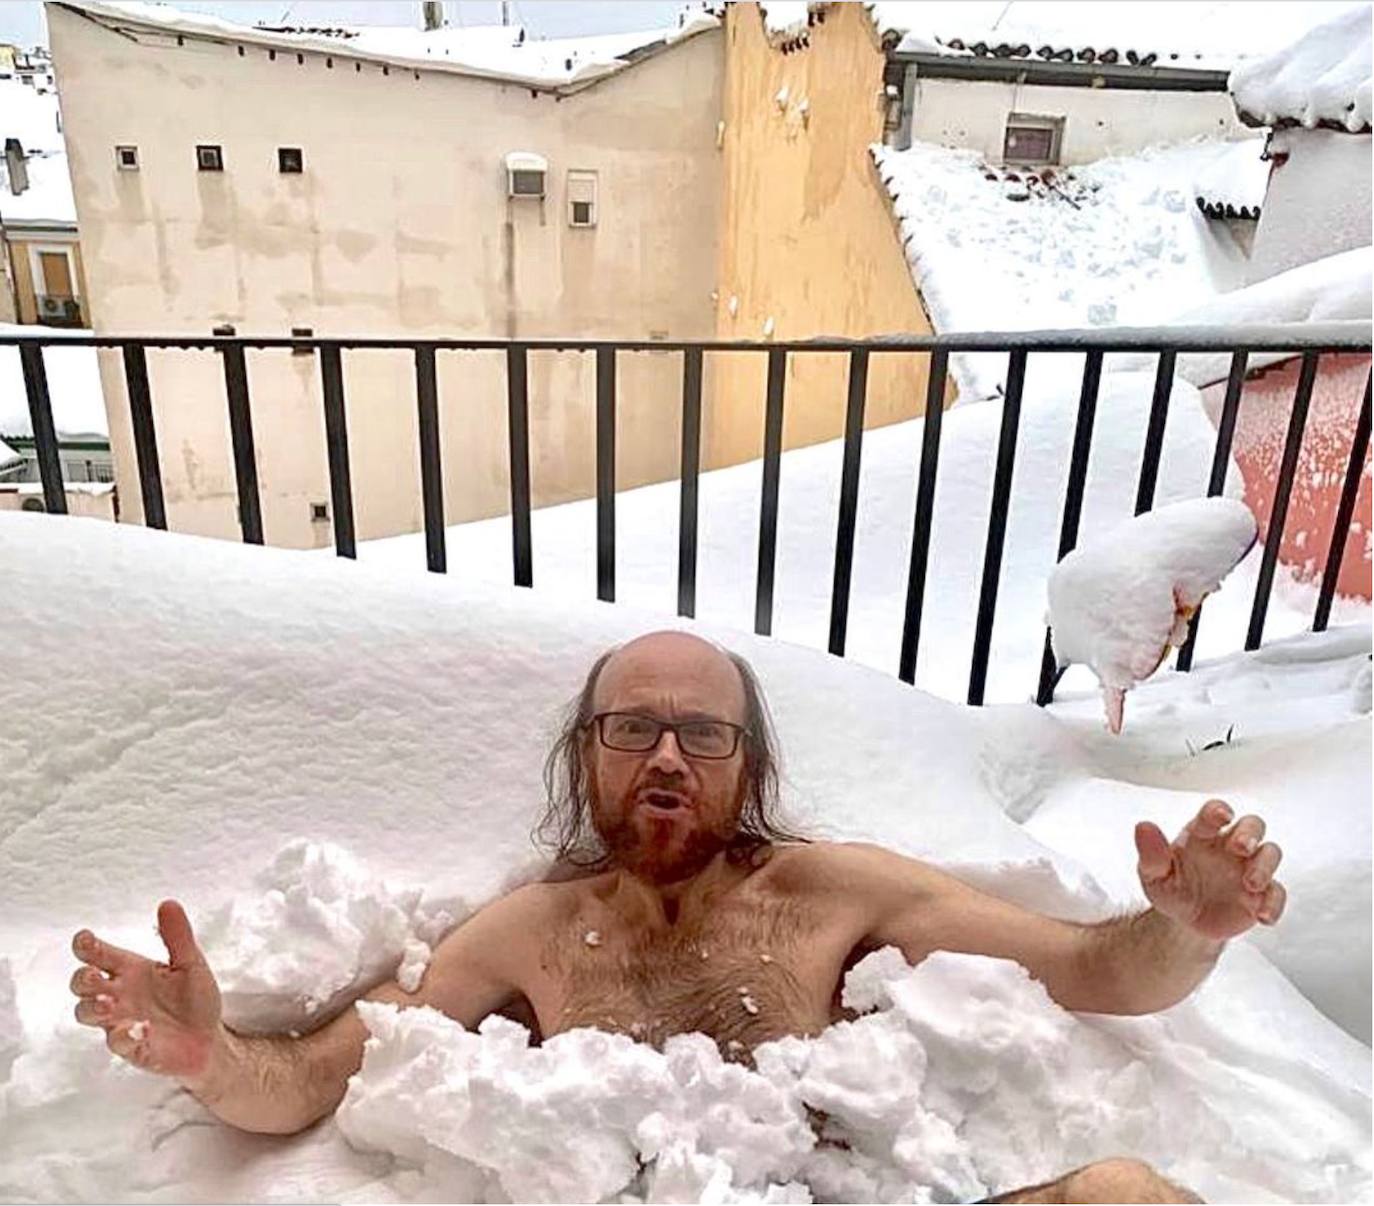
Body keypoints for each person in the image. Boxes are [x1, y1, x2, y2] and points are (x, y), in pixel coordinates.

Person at [70, 631, 1287, 1203]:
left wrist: (1185, 926)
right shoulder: (526, 934)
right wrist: (210, 1054)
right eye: (630, 727)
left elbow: (1092, 970)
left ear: (746, 764)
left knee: (1125, 1196)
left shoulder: (831, 891)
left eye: (701, 732)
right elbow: (316, 1079)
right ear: (585, 757)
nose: (665, 754)